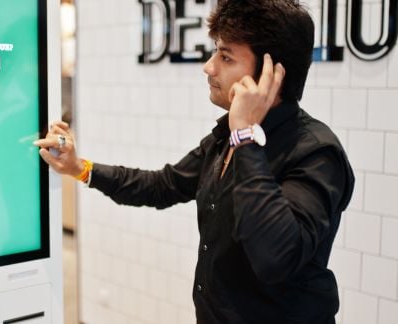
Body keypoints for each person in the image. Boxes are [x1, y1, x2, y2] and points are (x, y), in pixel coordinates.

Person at [34, 0, 355, 322]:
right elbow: (162, 185)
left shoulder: (315, 153)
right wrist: (80, 168)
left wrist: (245, 136)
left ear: (273, 74)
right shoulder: (224, 138)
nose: (209, 67)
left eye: (226, 57)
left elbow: (275, 257)